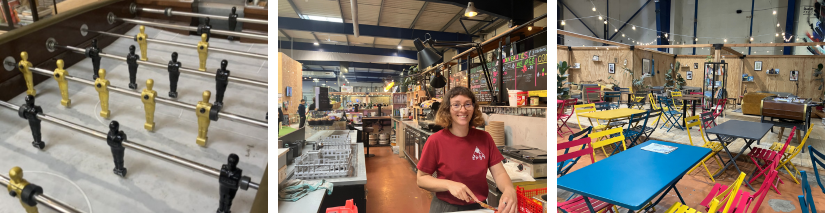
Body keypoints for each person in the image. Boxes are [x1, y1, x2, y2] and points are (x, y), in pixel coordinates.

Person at [417, 87, 516, 213]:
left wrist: (509, 189)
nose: (463, 110)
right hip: (446, 208)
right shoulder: (435, 140)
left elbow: (499, 173)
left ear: (473, 108)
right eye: (456, 105)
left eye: (467, 104)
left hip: (479, 207)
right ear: (448, 109)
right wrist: (448, 184)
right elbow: (421, 178)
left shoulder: (484, 138)